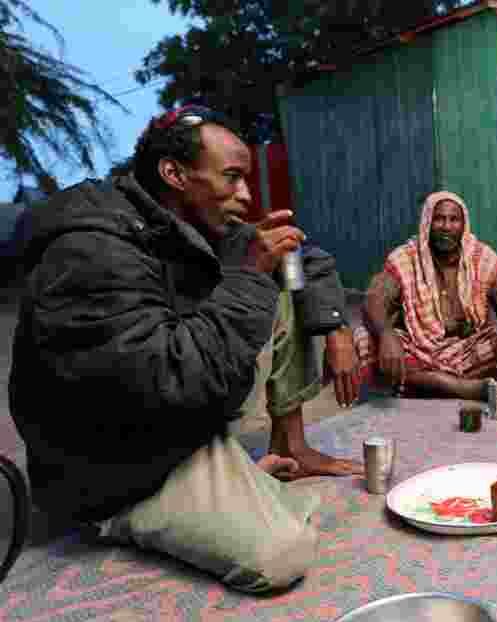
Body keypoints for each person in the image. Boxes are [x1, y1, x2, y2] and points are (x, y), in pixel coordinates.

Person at [9, 105, 359, 592]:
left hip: (172, 419)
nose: (246, 195)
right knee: (281, 555)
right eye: (233, 178)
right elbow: (168, 378)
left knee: (283, 279)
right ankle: (121, 519)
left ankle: (283, 447)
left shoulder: (198, 223)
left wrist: (337, 329)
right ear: (174, 174)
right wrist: (247, 278)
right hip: (113, 464)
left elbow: (304, 256)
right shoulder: (92, 250)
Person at [354, 191, 497, 399]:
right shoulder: (406, 258)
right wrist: (386, 334)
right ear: (427, 223)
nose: (447, 227)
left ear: (464, 224)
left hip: (468, 352)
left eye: (454, 220)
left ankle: (426, 385)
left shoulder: (479, 256)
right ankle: (462, 387)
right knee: (365, 339)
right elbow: (375, 296)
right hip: (421, 352)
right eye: (439, 219)